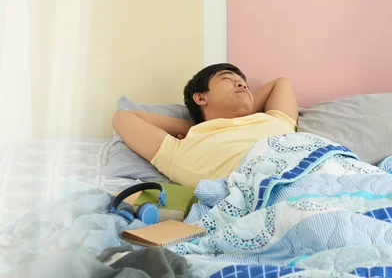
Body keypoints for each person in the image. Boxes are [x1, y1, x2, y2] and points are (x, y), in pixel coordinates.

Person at [112, 64, 298, 186]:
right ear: (201, 97)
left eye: (244, 84)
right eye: (227, 79)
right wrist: (196, 128)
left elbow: (281, 83)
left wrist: (238, 110)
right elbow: (123, 118)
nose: (242, 85)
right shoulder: (185, 148)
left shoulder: (274, 120)